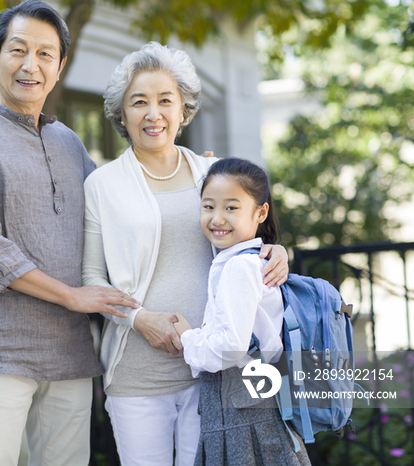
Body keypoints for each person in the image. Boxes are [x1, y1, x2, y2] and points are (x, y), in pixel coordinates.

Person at [0, 1, 139, 465]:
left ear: (60, 65)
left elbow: (118, 212)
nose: (31, 65)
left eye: (46, 54)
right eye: (18, 50)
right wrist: (71, 296)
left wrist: (194, 179)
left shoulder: (68, 142)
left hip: (70, 353)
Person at [82, 42, 289, 465]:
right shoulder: (102, 184)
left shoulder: (210, 172)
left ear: (183, 109)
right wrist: (141, 320)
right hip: (136, 374)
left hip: (212, 375)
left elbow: (247, 231)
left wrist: (275, 250)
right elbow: (91, 278)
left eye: (165, 101)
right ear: (122, 113)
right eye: (139, 102)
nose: (152, 113)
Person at [173, 157, 311, 465]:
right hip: (255, 405)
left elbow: (232, 347)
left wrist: (188, 339)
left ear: (261, 212)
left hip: (244, 413)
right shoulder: (245, 261)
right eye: (208, 206)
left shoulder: (240, 266)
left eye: (231, 208)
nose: (217, 218)